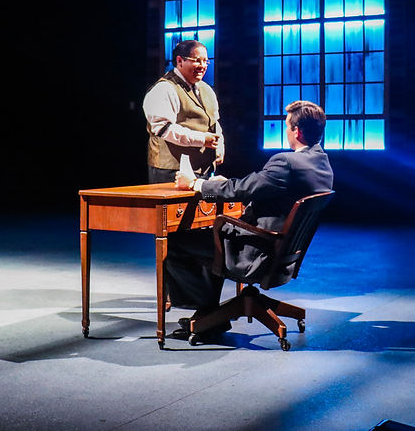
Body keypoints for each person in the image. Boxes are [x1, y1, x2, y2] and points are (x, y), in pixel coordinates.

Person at [164, 100, 334, 339]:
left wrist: (197, 184)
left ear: (296, 131)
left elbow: (242, 190)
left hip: (258, 251)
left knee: (177, 241)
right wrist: (222, 185)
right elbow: (254, 186)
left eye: (287, 126)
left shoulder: (286, 162)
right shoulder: (321, 162)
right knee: (209, 237)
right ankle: (209, 316)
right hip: (284, 253)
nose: (286, 131)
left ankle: (207, 315)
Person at [142, 39, 224, 184]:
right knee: (173, 208)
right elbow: (164, 129)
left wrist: (220, 146)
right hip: (172, 172)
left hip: (203, 171)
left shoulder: (206, 89)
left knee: (204, 207)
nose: (203, 66)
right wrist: (202, 139)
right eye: (197, 61)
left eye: (206, 61)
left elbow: (215, 122)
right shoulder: (164, 89)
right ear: (180, 61)